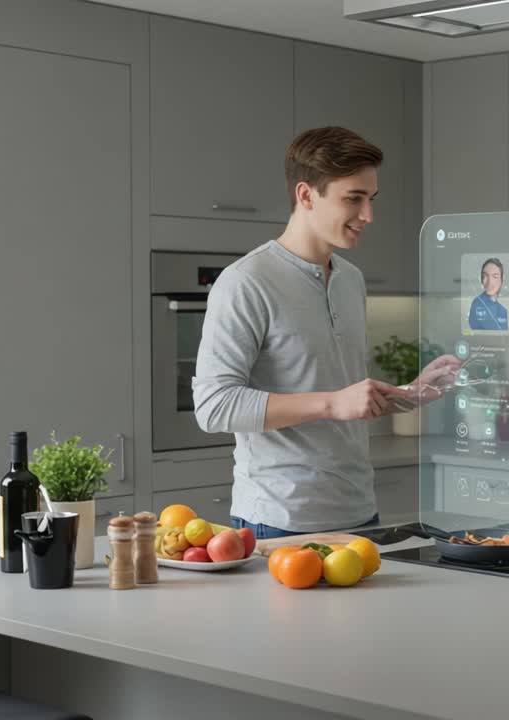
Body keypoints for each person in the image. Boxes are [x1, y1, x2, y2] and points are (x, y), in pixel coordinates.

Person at [192, 126, 459, 539]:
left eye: (371, 199)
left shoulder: (351, 279)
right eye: (353, 198)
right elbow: (214, 406)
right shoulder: (246, 282)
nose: (368, 215)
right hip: (279, 522)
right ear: (306, 195)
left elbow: (343, 397)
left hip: (359, 513)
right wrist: (333, 403)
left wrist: (411, 394)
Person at [467, 257, 509, 331]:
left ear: (501, 281)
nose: (490, 282)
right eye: (485, 276)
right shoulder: (477, 303)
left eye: (495, 276)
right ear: (481, 279)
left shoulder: (503, 311)